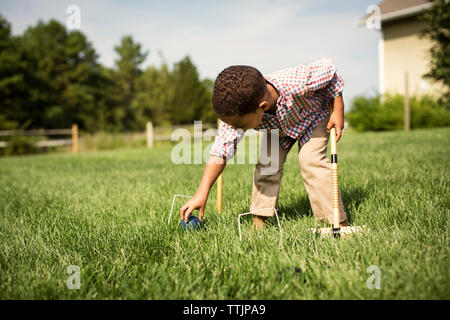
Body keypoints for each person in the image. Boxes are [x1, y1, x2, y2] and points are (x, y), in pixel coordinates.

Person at [180, 58, 349, 230]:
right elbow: (220, 151)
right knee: (267, 165)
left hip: (313, 118)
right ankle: (260, 219)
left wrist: (338, 109)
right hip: (278, 129)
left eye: (241, 126)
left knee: (311, 161)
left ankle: (336, 221)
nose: (236, 130)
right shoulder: (238, 113)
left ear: (262, 107)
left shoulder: (296, 82)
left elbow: (330, 71)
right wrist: (202, 193)